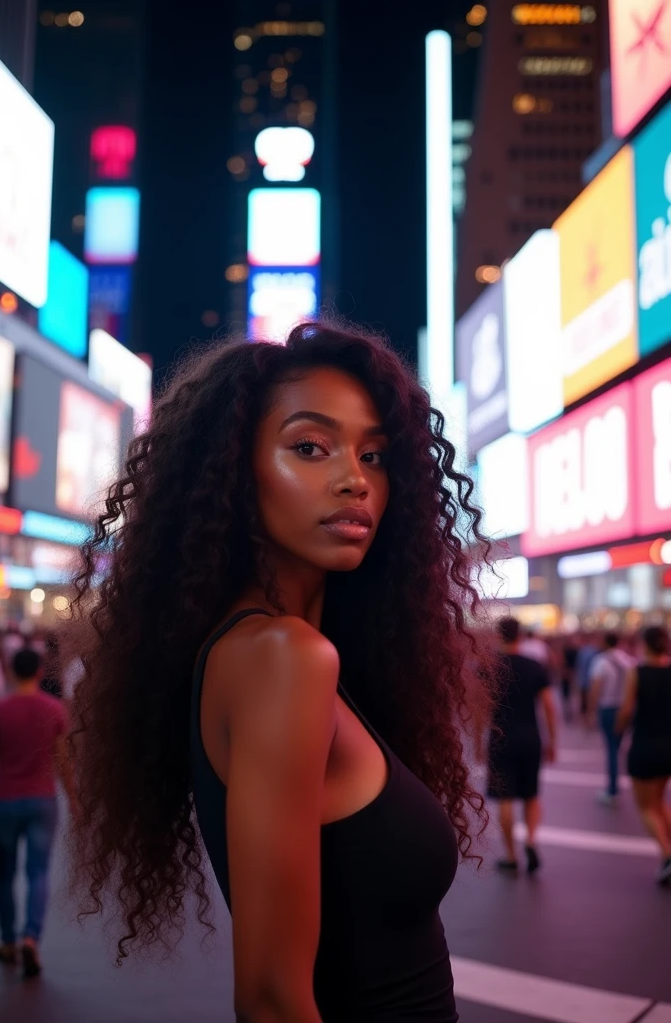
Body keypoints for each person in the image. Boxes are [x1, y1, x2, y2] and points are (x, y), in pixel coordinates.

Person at [65, 323, 496, 1022]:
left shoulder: (273, 652)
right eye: (309, 447)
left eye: (376, 454)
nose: (356, 479)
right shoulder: (283, 659)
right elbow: (271, 999)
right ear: (235, 469)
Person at [0, 648, 76, 978]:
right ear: (39, 672)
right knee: (37, 872)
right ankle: (31, 938)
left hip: (6, 800)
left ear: (10, 672)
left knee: (5, 874)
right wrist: (75, 798)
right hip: (42, 800)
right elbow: (62, 760)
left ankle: (7, 942)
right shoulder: (54, 710)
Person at [484, 616, 557, 874]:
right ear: (520, 635)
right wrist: (552, 741)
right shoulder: (534, 666)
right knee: (531, 794)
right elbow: (549, 707)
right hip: (530, 737)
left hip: (500, 738)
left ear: (498, 635)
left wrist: (476, 742)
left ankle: (511, 856)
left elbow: (480, 709)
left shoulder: (490, 668)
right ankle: (531, 841)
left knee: (505, 798)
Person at [617, 626, 671, 886]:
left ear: (645, 645)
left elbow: (627, 710)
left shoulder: (636, 672)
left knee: (647, 807)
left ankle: (667, 854)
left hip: (645, 745)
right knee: (660, 803)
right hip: (668, 745)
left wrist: (617, 727)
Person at [588, 631, 635, 805]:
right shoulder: (628, 660)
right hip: (625, 708)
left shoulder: (600, 661)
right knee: (618, 746)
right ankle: (617, 785)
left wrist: (590, 711)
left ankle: (613, 789)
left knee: (612, 749)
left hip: (608, 708)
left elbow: (595, 688)